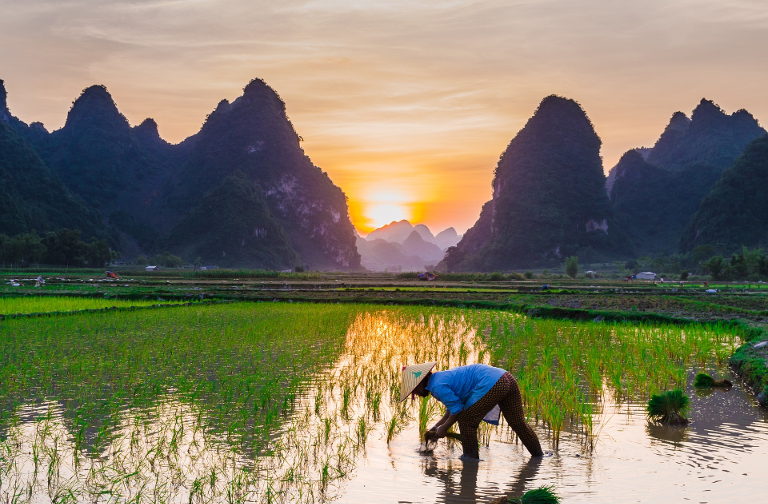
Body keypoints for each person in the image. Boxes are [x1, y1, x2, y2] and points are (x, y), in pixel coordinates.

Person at [401, 362, 543, 460]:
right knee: (518, 423)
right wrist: (436, 428)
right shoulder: (439, 379)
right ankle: (538, 457)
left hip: (493, 383)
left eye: (414, 391)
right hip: (506, 378)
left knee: (466, 422)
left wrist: (444, 428)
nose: (417, 395)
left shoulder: (437, 387)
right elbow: (451, 410)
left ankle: (470, 460)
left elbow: (457, 411)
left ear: (420, 384)